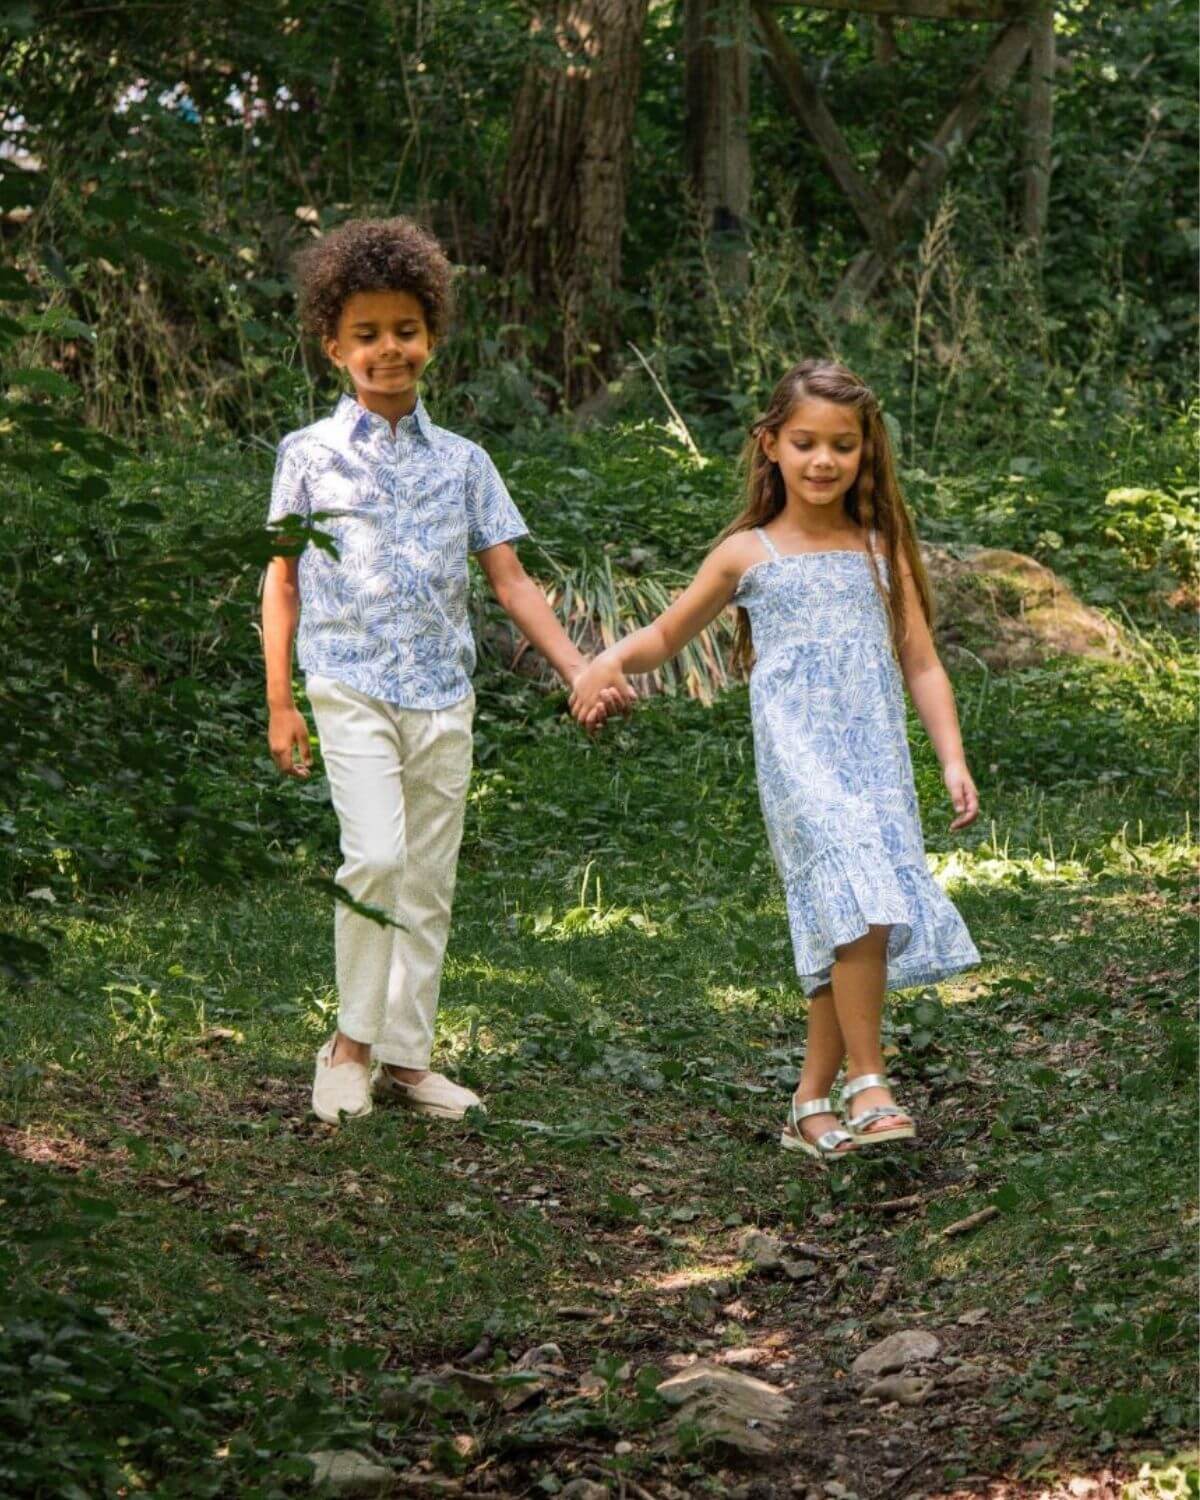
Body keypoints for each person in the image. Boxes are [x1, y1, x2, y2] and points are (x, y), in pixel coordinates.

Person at [262, 216, 629, 1126]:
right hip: (347, 685)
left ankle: (405, 1057)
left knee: (426, 878)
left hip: (443, 697)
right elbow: (281, 583)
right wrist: (281, 701)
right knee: (376, 857)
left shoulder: (466, 464)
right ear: (333, 345)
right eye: (367, 335)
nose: (389, 350)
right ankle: (347, 1044)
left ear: (431, 335)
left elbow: (511, 582)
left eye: (405, 331)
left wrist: (580, 667)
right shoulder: (307, 456)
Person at [570, 358, 980, 1161]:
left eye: (843, 445)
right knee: (858, 897)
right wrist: (602, 663)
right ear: (770, 445)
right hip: (800, 762)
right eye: (805, 443)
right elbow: (662, 636)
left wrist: (952, 759)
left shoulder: (878, 550)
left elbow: (922, 663)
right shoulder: (745, 554)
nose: (824, 460)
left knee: (851, 914)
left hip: (876, 761)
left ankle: (809, 1102)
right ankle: (871, 1080)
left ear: (867, 452)